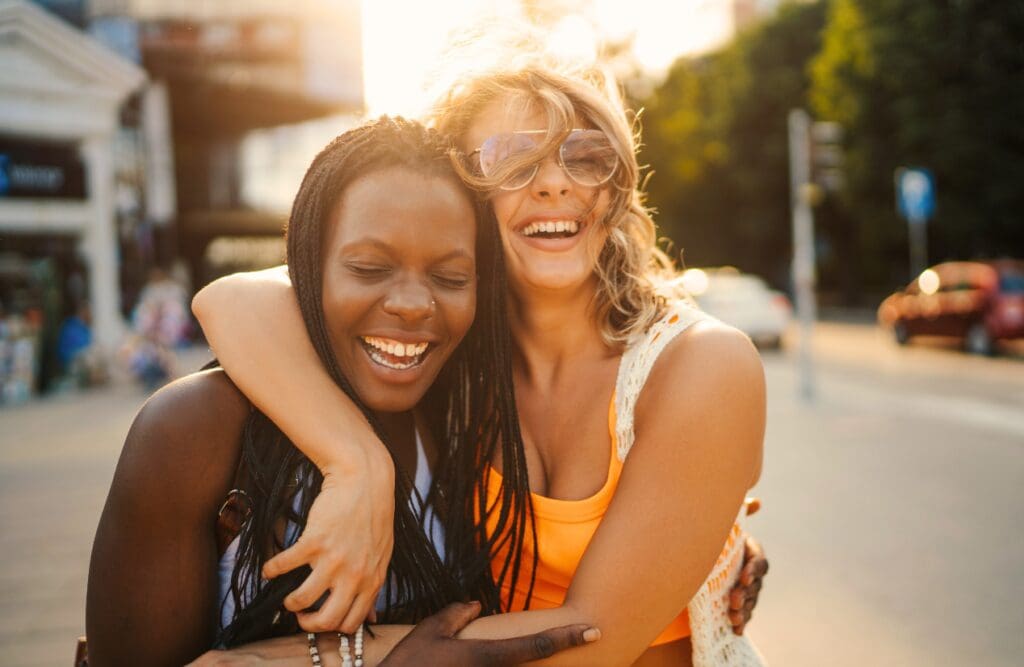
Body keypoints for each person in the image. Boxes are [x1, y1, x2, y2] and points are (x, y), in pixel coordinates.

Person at [194, 62, 767, 665]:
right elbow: (231, 299)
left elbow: (591, 641)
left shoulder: (703, 363)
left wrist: (277, 661)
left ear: (615, 186)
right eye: (513, 160)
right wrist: (354, 463)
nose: (553, 184)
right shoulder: (454, 354)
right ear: (466, 197)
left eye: (585, 156)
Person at [86, 118, 601, 666]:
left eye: (451, 278)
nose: (412, 304)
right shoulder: (194, 428)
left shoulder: (463, 421)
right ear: (307, 267)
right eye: (368, 268)